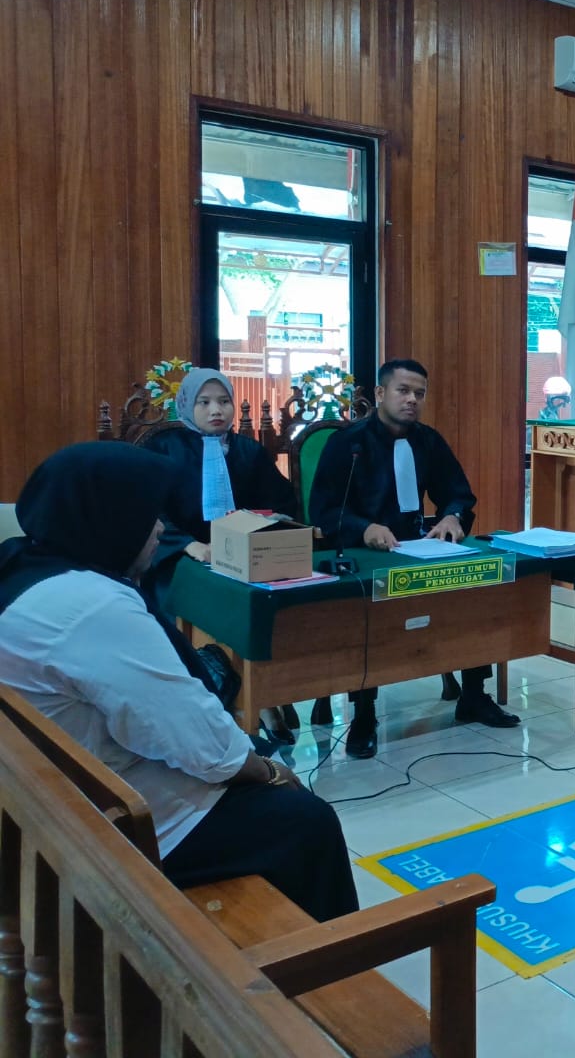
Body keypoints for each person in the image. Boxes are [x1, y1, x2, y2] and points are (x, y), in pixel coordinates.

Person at [0, 444, 358, 922]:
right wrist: (271, 773)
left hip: (50, 791)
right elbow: (200, 743)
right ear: (107, 518)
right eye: (147, 515)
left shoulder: (23, 565)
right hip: (115, 821)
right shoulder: (92, 605)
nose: (158, 528)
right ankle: (325, 961)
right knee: (307, 821)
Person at [309, 357, 519, 758]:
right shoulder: (348, 445)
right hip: (364, 553)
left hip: (418, 546)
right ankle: (364, 714)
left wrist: (452, 517)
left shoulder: (429, 441)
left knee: (474, 590)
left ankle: (474, 694)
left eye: (419, 394)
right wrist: (363, 528)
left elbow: (458, 494)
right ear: (380, 393)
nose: (412, 400)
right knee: (366, 611)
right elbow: (323, 510)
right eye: (403, 391)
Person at [142, 369, 304, 743]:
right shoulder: (164, 449)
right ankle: (216, 702)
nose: (216, 410)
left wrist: (255, 531)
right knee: (192, 606)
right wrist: (188, 544)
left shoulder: (248, 451)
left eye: (224, 401)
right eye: (204, 402)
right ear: (187, 405)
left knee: (267, 605)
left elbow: (281, 503)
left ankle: (261, 693)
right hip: (180, 559)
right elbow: (147, 506)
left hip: (243, 555)